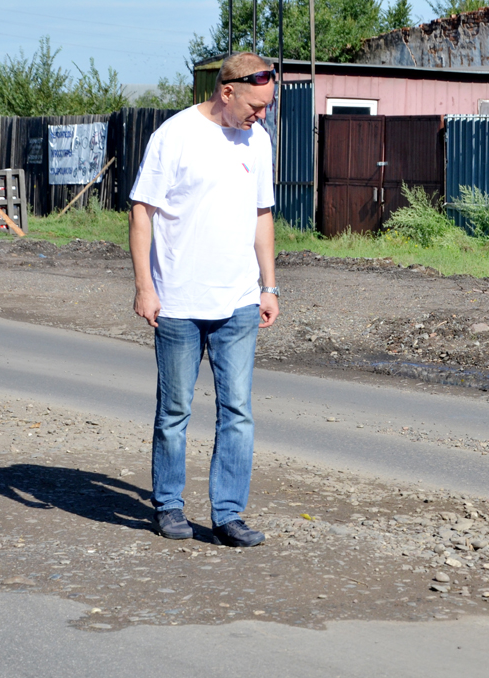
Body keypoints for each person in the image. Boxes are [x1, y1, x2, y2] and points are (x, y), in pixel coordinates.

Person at [128, 52, 280, 548]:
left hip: (237, 301)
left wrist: (268, 285)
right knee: (174, 410)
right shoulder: (174, 135)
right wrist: (145, 287)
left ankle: (228, 514)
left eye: (267, 107)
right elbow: (141, 212)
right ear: (227, 91)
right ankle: (169, 506)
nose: (261, 115)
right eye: (256, 105)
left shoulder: (257, 140)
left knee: (237, 410)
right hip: (178, 300)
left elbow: (262, 215)